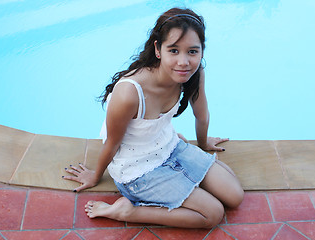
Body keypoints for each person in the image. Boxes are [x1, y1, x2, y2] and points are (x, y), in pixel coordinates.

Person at [63, 7, 244, 229]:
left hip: (170, 146)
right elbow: (112, 142)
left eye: (193, 52)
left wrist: (204, 144)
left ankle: (184, 184)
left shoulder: (194, 74)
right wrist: (95, 176)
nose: (184, 62)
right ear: (158, 49)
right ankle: (128, 211)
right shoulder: (130, 93)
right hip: (137, 170)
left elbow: (201, 115)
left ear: (202, 51)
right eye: (174, 50)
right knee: (212, 214)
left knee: (235, 196)